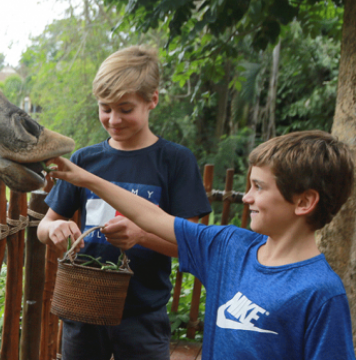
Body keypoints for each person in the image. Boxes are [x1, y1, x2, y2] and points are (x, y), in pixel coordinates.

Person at [47, 129, 356, 359]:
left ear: (304, 202)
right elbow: (152, 217)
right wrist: (85, 178)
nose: (246, 197)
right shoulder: (230, 247)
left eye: (259, 187)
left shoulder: (320, 294)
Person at [37, 46, 212, 360]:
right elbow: (43, 225)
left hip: (143, 315)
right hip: (83, 306)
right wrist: (55, 228)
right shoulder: (84, 160)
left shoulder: (175, 161)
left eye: (126, 109)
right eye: (105, 108)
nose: (113, 119)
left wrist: (142, 236)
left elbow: (192, 243)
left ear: (152, 101)